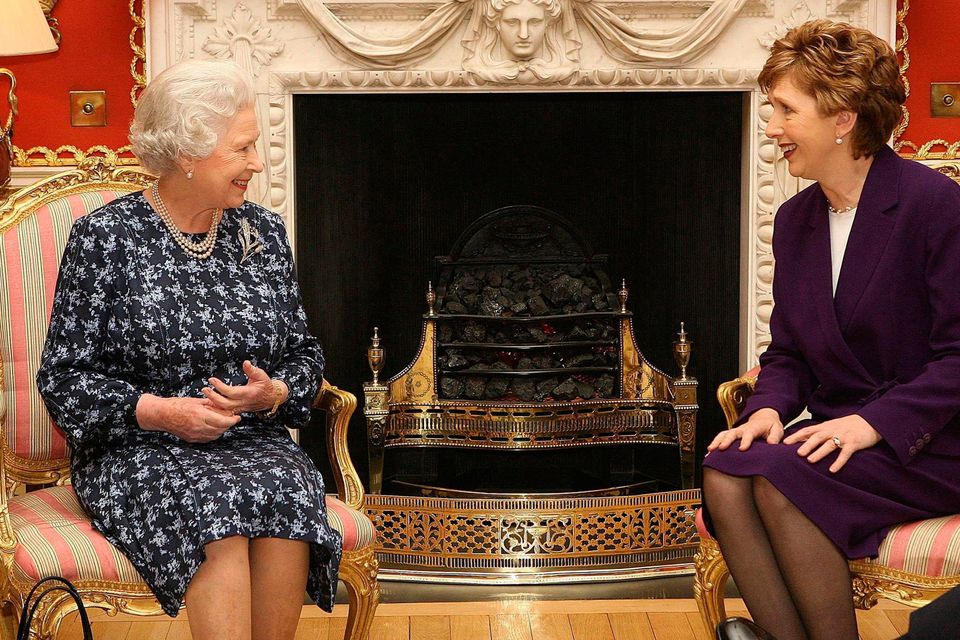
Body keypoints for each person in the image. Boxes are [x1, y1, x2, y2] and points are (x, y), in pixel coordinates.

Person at [36, 59, 341, 640]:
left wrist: (274, 392)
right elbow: (65, 378)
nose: (256, 164)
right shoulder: (107, 239)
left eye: (256, 147)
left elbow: (304, 353)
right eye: (242, 150)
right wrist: (160, 411)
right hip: (137, 446)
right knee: (217, 514)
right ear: (186, 153)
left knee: (290, 489)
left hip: (251, 440)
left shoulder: (262, 234)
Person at [702, 19, 960, 640]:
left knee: (781, 483)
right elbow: (788, 351)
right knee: (725, 473)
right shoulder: (795, 221)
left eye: (786, 110)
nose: (770, 129)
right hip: (838, 438)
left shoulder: (933, 206)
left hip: (930, 442)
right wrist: (766, 409)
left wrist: (874, 423)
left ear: (842, 117)